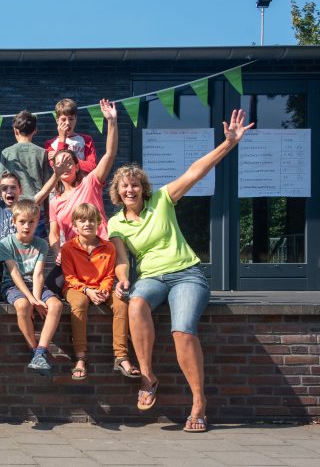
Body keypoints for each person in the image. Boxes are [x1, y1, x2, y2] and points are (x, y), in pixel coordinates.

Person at [109, 109, 254, 433]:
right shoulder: (115, 222)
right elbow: (121, 259)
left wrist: (228, 144)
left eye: (134, 185)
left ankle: (199, 403)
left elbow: (195, 172)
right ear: (117, 193)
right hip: (151, 278)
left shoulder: (162, 200)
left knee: (182, 331)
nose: (130, 190)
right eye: (124, 187)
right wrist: (121, 280)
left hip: (187, 274)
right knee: (136, 302)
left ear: (142, 188)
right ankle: (147, 377)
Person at [0, 140, 62, 300]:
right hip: (3, 258)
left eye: (13, 188)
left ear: (20, 190)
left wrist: (57, 175)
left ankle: (26, 285)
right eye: (4, 188)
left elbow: (44, 191)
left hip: (21, 257)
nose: (8, 191)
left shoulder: (26, 205)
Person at [60, 203, 139, 381]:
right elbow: (69, 277)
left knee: (121, 303)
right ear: (74, 225)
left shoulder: (109, 247)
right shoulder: (68, 248)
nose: (87, 224)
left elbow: (109, 275)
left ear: (99, 223)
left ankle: (121, 356)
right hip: (76, 288)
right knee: (79, 303)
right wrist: (87, 290)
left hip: (102, 288)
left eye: (91, 220)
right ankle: (80, 357)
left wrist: (103, 290)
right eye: (82, 220)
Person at [47, 99, 118, 293]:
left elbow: (110, 154)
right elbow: (53, 232)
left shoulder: (90, 183)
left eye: (69, 162)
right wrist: (57, 250)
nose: (64, 166)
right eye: (59, 163)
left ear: (78, 165)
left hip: (100, 254)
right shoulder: (55, 201)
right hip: (75, 256)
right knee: (51, 286)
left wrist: (111, 121)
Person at [0, 199, 64, 376]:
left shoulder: (41, 244)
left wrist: (36, 298)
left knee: (56, 305)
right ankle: (34, 351)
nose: (26, 226)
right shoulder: (6, 243)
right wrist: (32, 300)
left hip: (35, 285)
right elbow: (14, 274)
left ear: (37, 222)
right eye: (22, 222)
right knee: (22, 306)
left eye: (31, 222)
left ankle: (41, 351)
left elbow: (38, 274)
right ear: (14, 222)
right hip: (12, 285)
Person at [0, 110, 50, 236]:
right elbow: (47, 186)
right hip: (36, 208)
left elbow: (1, 185)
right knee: (36, 250)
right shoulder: (42, 152)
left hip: (14, 209)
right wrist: (48, 214)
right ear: (35, 130)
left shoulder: (7, 152)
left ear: (15, 130)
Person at [44, 98, 97, 172]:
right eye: (63, 119)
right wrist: (62, 140)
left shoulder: (87, 140)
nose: (67, 123)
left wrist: (62, 157)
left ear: (76, 119)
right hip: (63, 183)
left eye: (71, 119)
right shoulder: (50, 144)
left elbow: (92, 167)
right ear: (57, 120)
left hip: (81, 182)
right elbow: (57, 168)